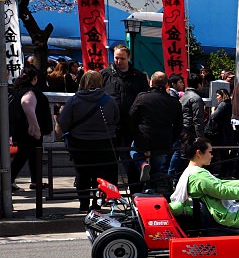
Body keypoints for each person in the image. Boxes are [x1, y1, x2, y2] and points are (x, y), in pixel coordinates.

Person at [56, 70, 119, 211]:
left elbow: (63, 122)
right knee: (100, 175)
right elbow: (116, 119)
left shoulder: (74, 100)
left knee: (82, 174)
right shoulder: (109, 100)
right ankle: (97, 204)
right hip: (104, 143)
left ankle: (83, 204)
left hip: (79, 143)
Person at [101, 45, 149, 183]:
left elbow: (144, 99)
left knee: (131, 161)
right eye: (116, 58)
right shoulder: (105, 74)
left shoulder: (138, 76)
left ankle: (135, 192)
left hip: (131, 125)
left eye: (122, 58)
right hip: (110, 125)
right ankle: (110, 194)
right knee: (110, 162)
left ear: (128, 58)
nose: (118, 61)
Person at [129, 72, 183, 192]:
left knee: (133, 150)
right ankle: (152, 192)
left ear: (151, 82)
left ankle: (142, 164)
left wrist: (137, 136)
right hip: (163, 141)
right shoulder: (174, 102)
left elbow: (131, 118)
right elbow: (179, 126)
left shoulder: (142, 97)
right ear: (167, 85)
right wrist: (171, 140)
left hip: (143, 138)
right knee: (156, 170)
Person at [9, 68, 53, 190]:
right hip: (30, 130)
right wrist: (35, 128)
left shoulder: (18, 90)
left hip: (22, 128)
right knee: (23, 155)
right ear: (34, 79)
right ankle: (8, 180)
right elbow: (27, 105)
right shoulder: (30, 92)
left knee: (34, 155)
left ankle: (36, 180)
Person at [205, 87, 234, 176]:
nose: (217, 98)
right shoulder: (229, 104)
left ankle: (222, 172)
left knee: (220, 153)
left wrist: (213, 110)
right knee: (224, 154)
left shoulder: (223, 105)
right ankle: (225, 172)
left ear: (222, 96)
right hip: (226, 131)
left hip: (221, 132)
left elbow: (214, 117)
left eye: (218, 96)